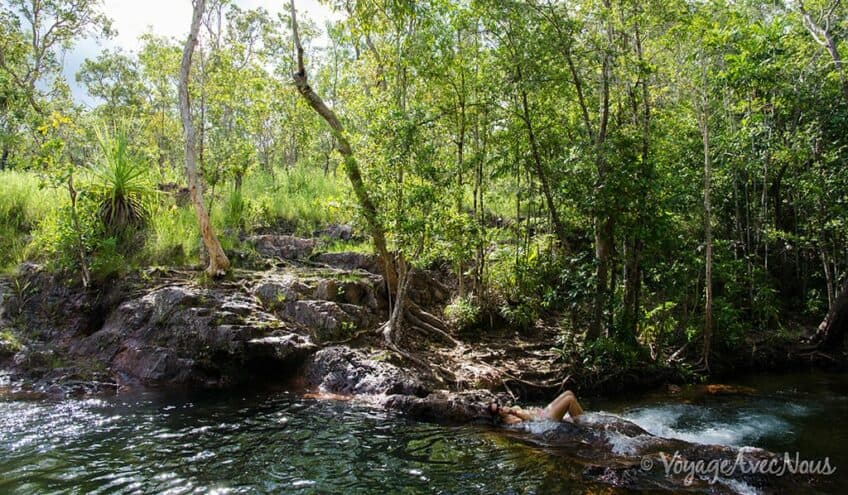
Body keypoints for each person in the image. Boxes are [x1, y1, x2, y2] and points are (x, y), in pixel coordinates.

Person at [489, 390, 584, 425]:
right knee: (569, 399)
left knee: (568, 392)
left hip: (543, 413)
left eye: (498, 405)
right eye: (497, 410)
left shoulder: (513, 407)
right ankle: (583, 425)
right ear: (497, 415)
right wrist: (512, 412)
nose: (500, 408)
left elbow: (528, 411)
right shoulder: (509, 421)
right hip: (544, 421)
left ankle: (581, 417)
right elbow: (531, 421)